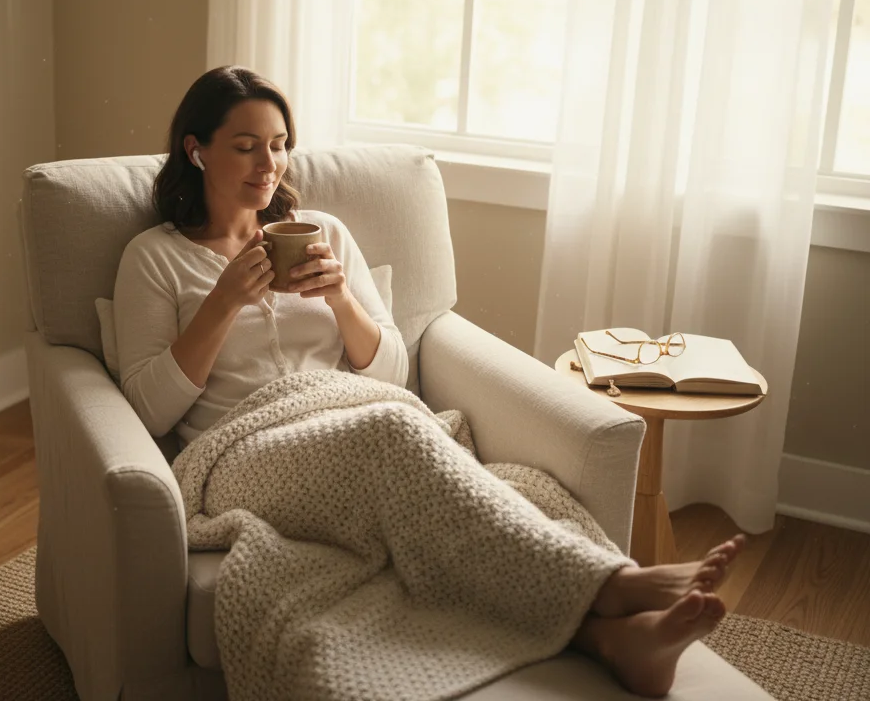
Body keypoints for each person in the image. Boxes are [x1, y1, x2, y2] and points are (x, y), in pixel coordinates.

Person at [112, 65, 744, 697]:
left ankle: (612, 639)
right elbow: (148, 409)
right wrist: (221, 304)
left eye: (278, 145)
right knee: (391, 430)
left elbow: (392, 371)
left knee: (413, 445)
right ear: (197, 151)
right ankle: (610, 583)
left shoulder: (325, 233)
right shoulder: (155, 257)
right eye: (246, 147)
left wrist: (340, 299)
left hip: (354, 411)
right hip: (241, 452)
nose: (268, 163)